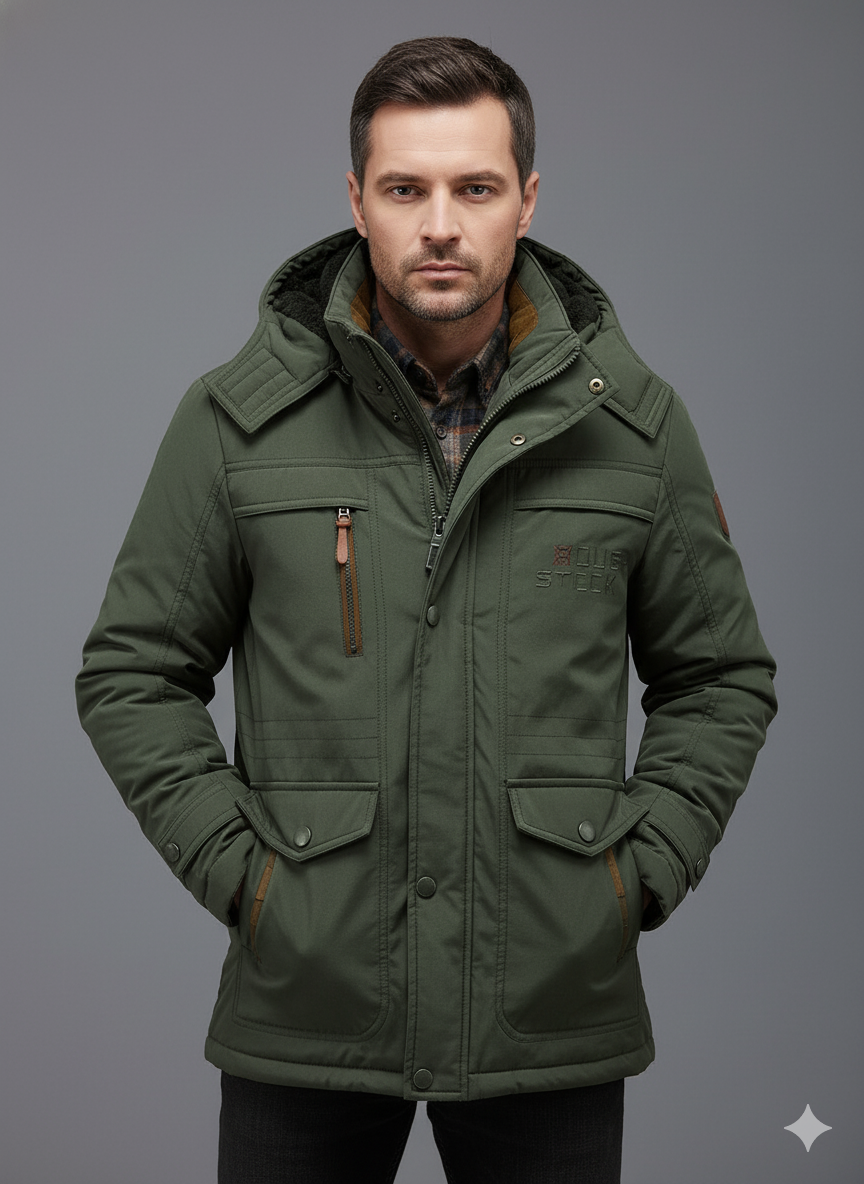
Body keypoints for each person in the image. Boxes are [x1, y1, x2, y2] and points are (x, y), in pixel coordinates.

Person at [75, 35, 777, 1184]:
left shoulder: (634, 427)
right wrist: (247, 878)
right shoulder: (236, 423)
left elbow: (721, 675)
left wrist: (635, 873)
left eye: (475, 189)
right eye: (406, 189)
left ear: (527, 200)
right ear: (357, 200)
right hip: (306, 1009)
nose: (440, 224)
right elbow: (131, 672)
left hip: (547, 1013)